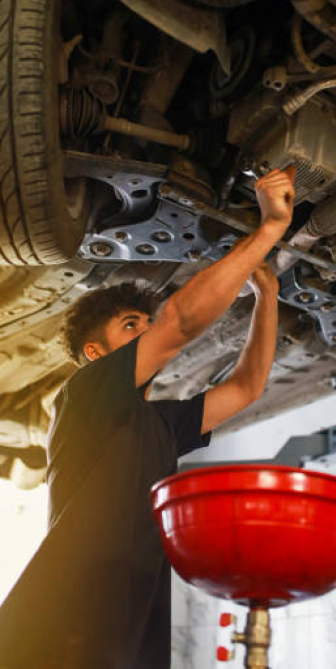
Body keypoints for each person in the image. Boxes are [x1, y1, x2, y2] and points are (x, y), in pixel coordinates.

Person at [0, 167, 296, 669]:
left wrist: (267, 296)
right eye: (130, 325)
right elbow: (179, 323)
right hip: (53, 634)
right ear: (96, 353)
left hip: (126, 642)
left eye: (143, 322)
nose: (146, 332)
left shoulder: (159, 425)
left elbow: (247, 388)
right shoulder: (85, 394)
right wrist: (267, 231)